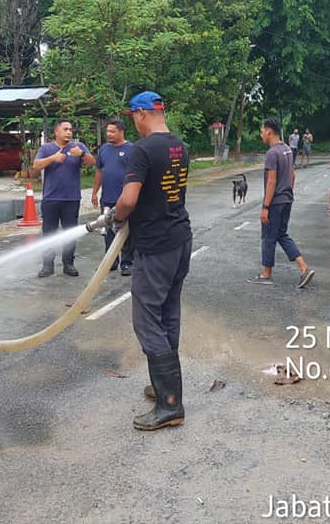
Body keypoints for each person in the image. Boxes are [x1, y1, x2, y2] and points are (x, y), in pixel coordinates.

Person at [113, 91, 191, 431]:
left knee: (146, 318)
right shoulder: (180, 146)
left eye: (133, 115)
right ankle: (166, 390)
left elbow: (129, 199)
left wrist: (116, 215)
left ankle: (170, 405)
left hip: (155, 245)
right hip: (179, 239)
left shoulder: (142, 150)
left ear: (141, 114)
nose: (133, 121)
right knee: (168, 312)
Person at [248, 117, 315, 288]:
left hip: (276, 202)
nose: (261, 134)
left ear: (269, 131)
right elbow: (292, 175)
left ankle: (266, 274)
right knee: (281, 234)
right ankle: (303, 268)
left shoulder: (272, 153)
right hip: (287, 199)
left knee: (269, 237)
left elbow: (271, 181)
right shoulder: (286, 149)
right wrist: (287, 193)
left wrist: (265, 207)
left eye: (262, 131)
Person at [33, 119, 95, 277]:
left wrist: (81, 154)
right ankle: (48, 265)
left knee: (70, 232)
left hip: (71, 198)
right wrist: (52, 159)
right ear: (56, 132)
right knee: (48, 232)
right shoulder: (47, 148)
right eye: (65, 129)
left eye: (70, 129)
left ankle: (68, 263)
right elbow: (36, 166)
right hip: (51, 198)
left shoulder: (77, 147)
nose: (69, 132)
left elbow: (92, 163)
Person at [91, 117, 134, 275]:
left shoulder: (131, 149)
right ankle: (110, 262)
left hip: (125, 199)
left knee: (126, 231)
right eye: (107, 131)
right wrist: (95, 192)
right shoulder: (104, 149)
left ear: (121, 131)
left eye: (112, 131)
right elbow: (99, 171)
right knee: (108, 230)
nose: (109, 134)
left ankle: (127, 263)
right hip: (107, 198)